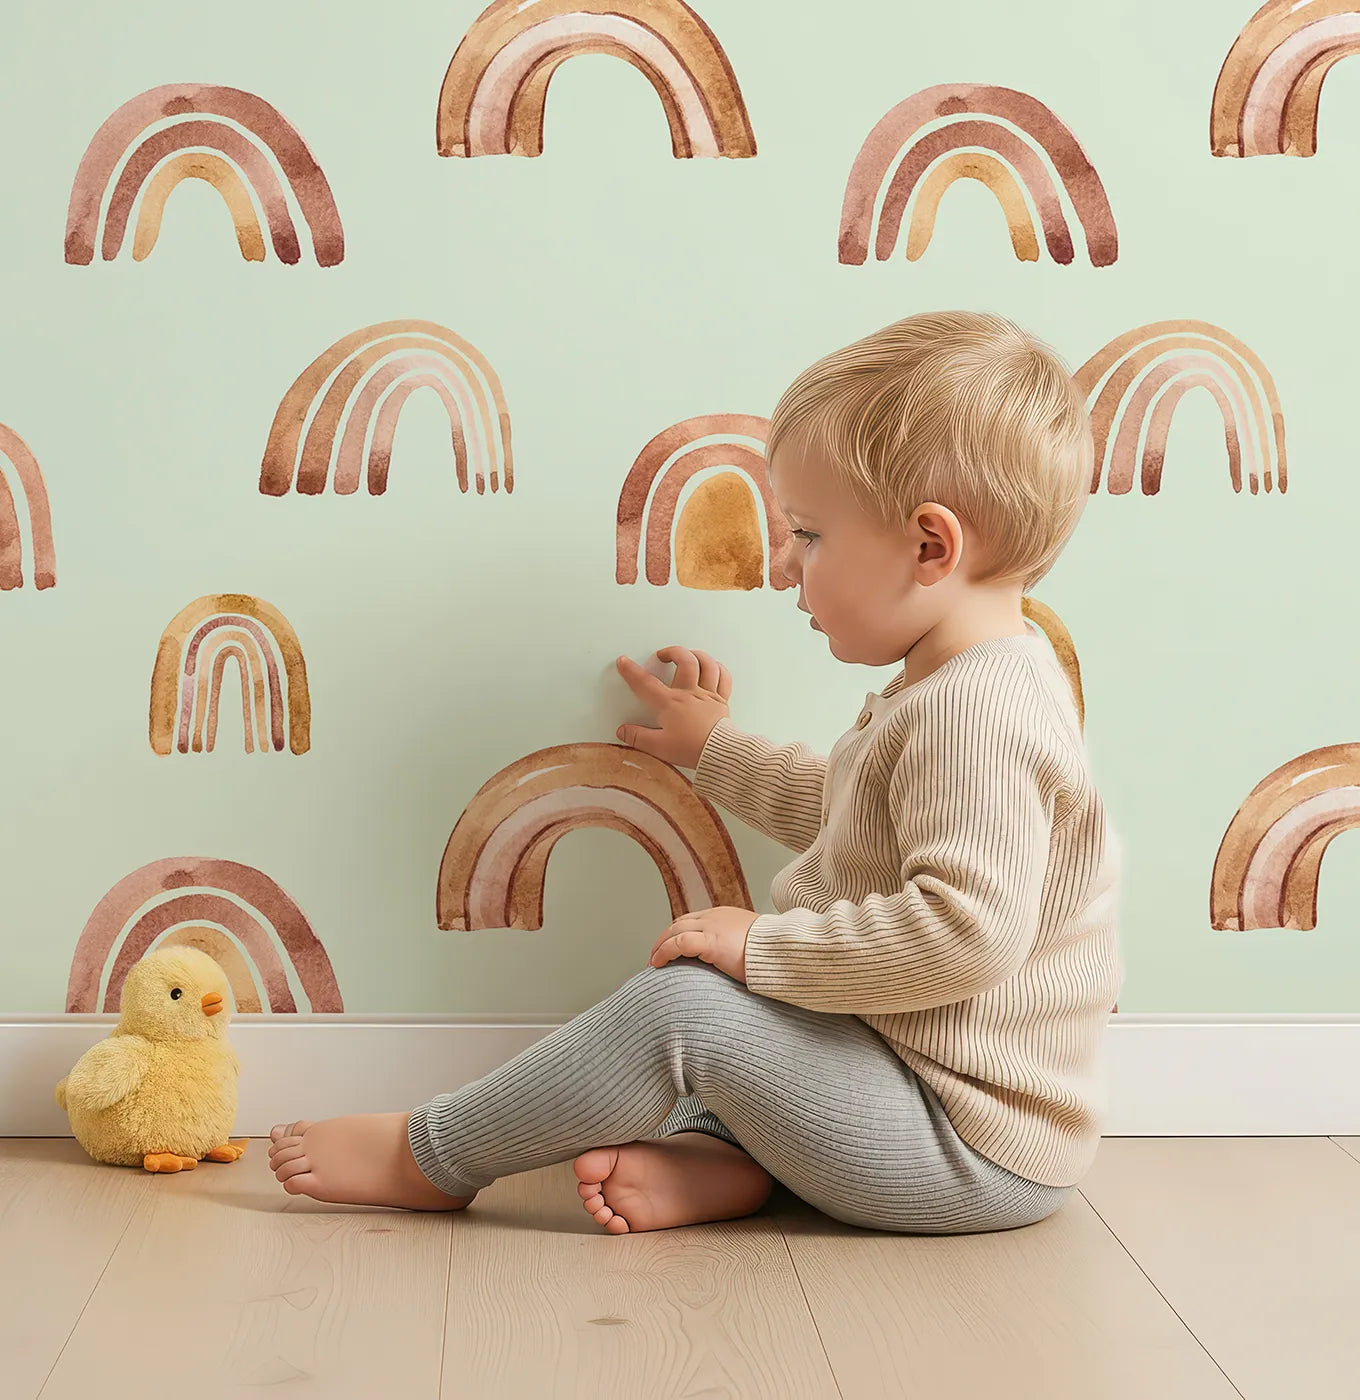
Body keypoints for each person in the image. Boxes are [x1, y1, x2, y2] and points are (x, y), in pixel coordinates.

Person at [266, 310, 1123, 1235]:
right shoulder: (958, 680)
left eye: (810, 534)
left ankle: (432, 1157)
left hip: (963, 1145)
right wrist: (717, 750)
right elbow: (855, 819)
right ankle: (725, 1161)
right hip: (897, 1088)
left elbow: (965, 937)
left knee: (687, 1014)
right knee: (731, 1010)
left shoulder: (977, 713)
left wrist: (762, 949)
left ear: (930, 547)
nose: (785, 563)